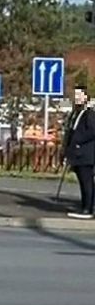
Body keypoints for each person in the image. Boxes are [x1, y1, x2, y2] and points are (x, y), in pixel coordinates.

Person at [63, 85, 94, 220]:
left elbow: (92, 131)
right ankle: (85, 206)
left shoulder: (89, 113)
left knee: (86, 181)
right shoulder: (76, 112)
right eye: (75, 95)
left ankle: (88, 208)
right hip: (78, 153)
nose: (76, 98)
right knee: (83, 181)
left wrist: (78, 141)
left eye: (79, 95)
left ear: (85, 97)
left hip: (85, 153)